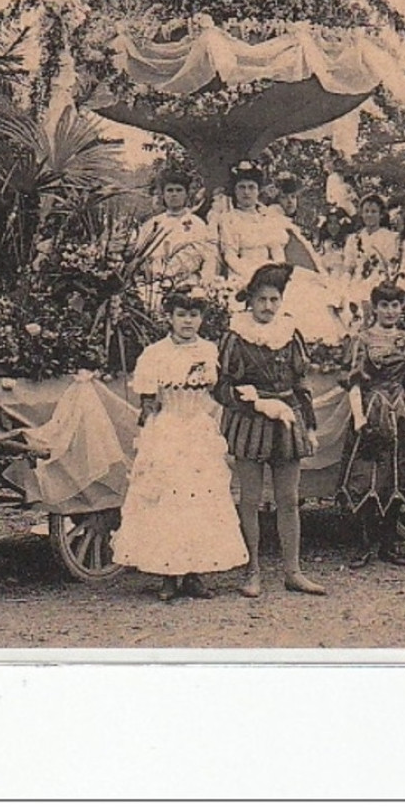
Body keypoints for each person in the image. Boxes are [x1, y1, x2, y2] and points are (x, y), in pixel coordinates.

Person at [112, 288, 249, 600]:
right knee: (168, 499)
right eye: (181, 315)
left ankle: (194, 574)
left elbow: (217, 393)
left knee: (200, 499)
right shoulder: (156, 354)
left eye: (194, 315)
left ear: (201, 318)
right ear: (170, 317)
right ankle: (168, 575)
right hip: (169, 427)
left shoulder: (210, 351)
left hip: (199, 428)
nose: (188, 321)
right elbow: (148, 399)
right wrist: (151, 432)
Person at [213, 263, 327, 597]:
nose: (267, 307)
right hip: (249, 422)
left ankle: (293, 572)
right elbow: (219, 387)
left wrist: (310, 425)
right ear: (250, 300)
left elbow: (301, 383)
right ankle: (253, 572)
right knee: (250, 499)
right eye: (261, 299)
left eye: (274, 299)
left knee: (289, 499)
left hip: (288, 421)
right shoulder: (235, 337)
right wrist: (249, 401)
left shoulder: (290, 334)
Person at [337, 282, 405, 567]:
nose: (390, 311)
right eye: (384, 305)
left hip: (400, 410)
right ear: (374, 308)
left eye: (395, 305)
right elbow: (353, 382)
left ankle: (390, 544)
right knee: (367, 474)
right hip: (371, 407)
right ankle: (363, 545)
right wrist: (360, 419)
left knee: (397, 473)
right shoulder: (362, 339)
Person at [215, 161, 346, 343]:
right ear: (235, 191)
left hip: (271, 268)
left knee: (310, 288)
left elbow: (276, 250)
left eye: (251, 187)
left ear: (257, 191)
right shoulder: (228, 219)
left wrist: (278, 272)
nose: (246, 192)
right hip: (243, 270)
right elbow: (230, 255)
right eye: (241, 187)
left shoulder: (268, 218)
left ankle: (317, 343)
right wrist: (254, 274)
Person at [135, 171, 214, 307]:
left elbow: (207, 258)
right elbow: (139, 257)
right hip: (154, 284)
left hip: (187, 284)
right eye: (170, 190)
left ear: (186, 194)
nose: (174, 194)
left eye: (179, 190)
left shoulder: (197, 224)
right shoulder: (152, 224)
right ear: (163, 195)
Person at [342, 194, 400, 324]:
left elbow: (390, 266)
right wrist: (344, 284)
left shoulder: (390, 237)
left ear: (381, 214)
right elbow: (349, 266)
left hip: (379, 281)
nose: (369, 215)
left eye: (374, 211)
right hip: (356, 281)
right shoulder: (354, 238)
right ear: (361, 214)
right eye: (366, 211)